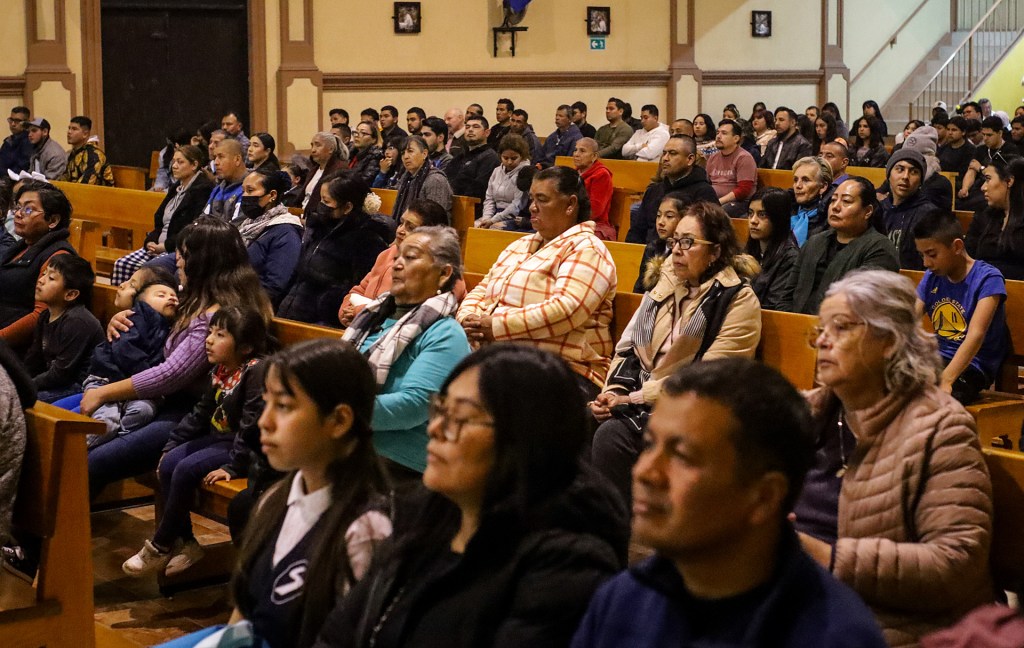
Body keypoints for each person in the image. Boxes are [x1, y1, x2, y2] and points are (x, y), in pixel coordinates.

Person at [314, 345, 628, 648]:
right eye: (440, 409)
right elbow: (339, 633)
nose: (435, 428)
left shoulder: (567, 565)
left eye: (460, 418)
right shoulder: (418, 516)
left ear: (522, 437)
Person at [573, 359, 887, 648]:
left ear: (764, 496)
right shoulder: (624, 598)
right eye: (650, 445)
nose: (644, 472)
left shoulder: (835, 635)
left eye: (682, 457)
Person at [793, 270, 993, 647]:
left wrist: (827, 556)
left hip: (889, 626)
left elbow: (956, 565)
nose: (822, 341)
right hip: (800, 604)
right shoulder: (805, 415)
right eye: (819, 330)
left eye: (840, 328)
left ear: (889, 340)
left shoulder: (942, 428)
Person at [162, 339, 392, 648]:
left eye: (283, 406)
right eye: (266, 403)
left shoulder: (366, 529)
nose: (264, 422)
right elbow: (244, 618)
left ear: (339, 420)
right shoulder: (274, 499)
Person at [81, 217, 273, 499]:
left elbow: (171, 375)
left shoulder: (219, 315)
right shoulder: (196, 299)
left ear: (203, 262)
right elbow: (152, 325)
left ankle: (62, 538)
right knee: (63, 428)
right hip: (162, 400)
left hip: (193, 414)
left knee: (90, 461)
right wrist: (123, 316)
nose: (178, 262)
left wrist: (103, 393)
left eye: (183, 255)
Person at [590, 202, 761, 505]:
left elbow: (709, 378)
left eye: (688, 242)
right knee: (580, 417)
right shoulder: (663, 286)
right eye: (674, 241)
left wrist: (633, 398)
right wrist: (613, 391)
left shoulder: (738, 300)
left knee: (612, 436)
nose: (677, 250)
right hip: (638, 399)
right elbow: (628, 347)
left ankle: (616, 534)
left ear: (716, 251)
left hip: (695, 408)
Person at [123, 306, 270, 577]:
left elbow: (252, 425)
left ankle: (161, 543)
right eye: (210, 332)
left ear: (246, 346)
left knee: (186, 468)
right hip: (219, 439)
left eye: (220, 334)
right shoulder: (222, 369)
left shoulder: (255, 371)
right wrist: (172, 444)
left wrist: (233, 467)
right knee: (169, 463)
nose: (209, 339)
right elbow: (201, 412)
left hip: (242, 448)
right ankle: (186, 542)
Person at [458, 166, 617, 398]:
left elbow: (566, 310)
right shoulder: (519, 245)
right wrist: (468, 319)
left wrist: (496, 326)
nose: (532, 207)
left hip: (565, 370)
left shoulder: (587, 248)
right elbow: (482, 289)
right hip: (506, 361)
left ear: (570, 204)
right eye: (532, 199)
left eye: (542, 199)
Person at [342, 226, 471, 477]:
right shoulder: (371, 317)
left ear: (444, 273)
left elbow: (414, 406)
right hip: (351, 448)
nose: (397, 265)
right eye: (397, 257)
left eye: (410, 257)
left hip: (398, 466)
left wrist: (337, 413)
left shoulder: (445, 333)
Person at [914, 211, 1008, 404]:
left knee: (927, 399)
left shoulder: (988, 278)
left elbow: (976, 335)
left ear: (956, 246)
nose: (926, 263)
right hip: (937, 359)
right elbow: (909, 320)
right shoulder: (932, 276)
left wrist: (947, 379)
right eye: (922, 255)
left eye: (931, 254)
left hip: (973, 366)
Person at [278, 170, 391, 326]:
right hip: (292, 313)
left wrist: (327, 308)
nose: (321, 205)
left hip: (323, 323)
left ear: (347, 207)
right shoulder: (320, 227)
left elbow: (359, 290)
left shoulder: (366, 240)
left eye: (326, 201)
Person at [81, 269, 179, 445]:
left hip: (134, 389)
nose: (171, 298)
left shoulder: (168, 324)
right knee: (105, 421)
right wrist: (146, 376)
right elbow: (125, 349)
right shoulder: (137, 317)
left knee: (144, 411)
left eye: (174, 296)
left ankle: (117, 435)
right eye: (161, 295)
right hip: (106, 380)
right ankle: (79, 450)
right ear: (141, 300)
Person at [784, 177, 899, 314]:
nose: (835, 207)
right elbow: (787, 294)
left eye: (846, 201)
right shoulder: (815, 242)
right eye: (833, 200)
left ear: (868, 211)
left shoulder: (879, 249)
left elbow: (863, 305)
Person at [340, 199, 464, 326]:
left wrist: (362, 312)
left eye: (410, 227)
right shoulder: (386, 254)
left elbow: (415, 314)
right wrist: (346, 312)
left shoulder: (444, 272)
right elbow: (359, 291)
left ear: (430, 234)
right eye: (401, 223)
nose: (400, 230)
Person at [111, 145, 213, 285]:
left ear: (194, 165)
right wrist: (150, 241)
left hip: (177, 247)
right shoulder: (176, 187)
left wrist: (164, 246)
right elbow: (160, 221)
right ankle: (122, 303)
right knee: (122, 264)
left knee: (145, 271)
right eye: (173, 161)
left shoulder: (202, 189)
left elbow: (191, 228)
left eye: (180, 162)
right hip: (157, 244)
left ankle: (140, 304)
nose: (174, 166)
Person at [0, 181, 76, 350]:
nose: (19, 214)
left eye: (28, 209)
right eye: (18, 207)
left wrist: (1, 339)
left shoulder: (59, 256)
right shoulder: (21, 246)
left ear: (53, 220)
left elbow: (41, 315)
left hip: (20, 351)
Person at [23, 253, 102, 403]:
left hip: (81, 386)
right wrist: (19, 379)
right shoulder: (45, 316)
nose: (40, 280)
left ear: (71, 294)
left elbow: (62, 373)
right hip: (58, 381)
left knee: (25, 400)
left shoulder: (78, 321)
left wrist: (27, 385)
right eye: (44, 274)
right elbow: (34, 357)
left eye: (51, 278)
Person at [626, 135, 718, 244]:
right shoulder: (654, 191)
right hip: (648, 253)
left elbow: (708, 236)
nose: (665, 158)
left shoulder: (704, 192)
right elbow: (636, 232)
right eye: (664, 153)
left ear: (690, 159)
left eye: (673, 153)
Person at [237, 170, 303, 307]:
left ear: (272, 195)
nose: (244, 196)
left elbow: (274, 285)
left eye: (250, 191)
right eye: (243, 191)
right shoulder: (246, 224)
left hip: (255, 306)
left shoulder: (286, 232)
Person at [878, 148, 943, 269]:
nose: (905, 177)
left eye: (914, 172)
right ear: (889, 175)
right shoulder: (878, 210)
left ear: (920, 181)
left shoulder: (929, 215)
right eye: (900, 169)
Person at [965, 158, 1024, 280]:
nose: (983, 187)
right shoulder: (983, 216)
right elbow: (968, 257)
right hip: (982, 288)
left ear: (1009, 181)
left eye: (988, 179)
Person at [746, 186, 799, 310]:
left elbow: (774, 305)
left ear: (778, 218)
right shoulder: (749, 251)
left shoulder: (790, 258)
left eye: (762, 215)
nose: (753, 221)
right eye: (750, 213)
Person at [957, 115, 1020, 211]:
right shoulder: (980, 150)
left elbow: (1005, 175)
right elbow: (971, 170)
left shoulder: (1011, 150)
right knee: (958, 204)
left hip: (999, 191)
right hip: (978, 189)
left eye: (989, 135)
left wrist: (981, 169)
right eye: (983, 134)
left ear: (1000, 133)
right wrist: (965, 188)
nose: (985, 138)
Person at [391, 136, 453, 222]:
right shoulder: (406, 178)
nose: (405, 156)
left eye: (410, 151)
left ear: (424, 154)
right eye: (402, 153)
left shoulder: (435, 180)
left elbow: (435, 221)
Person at [633, 193, 685, 293]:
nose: (661, 222)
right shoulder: (652, 248)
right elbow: (639, 288)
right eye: (658, 215)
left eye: (669, 216)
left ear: (683, 219)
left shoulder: (683, 252)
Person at [477, 133, 531, 230]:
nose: (509, 162)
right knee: (475, 226)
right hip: (494, 213)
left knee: (495, 228)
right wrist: (486, 218)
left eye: (514, 158)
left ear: (522, 156)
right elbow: (489, 199)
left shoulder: (525, 173)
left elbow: (516, 205)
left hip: (514, 216)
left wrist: (492, 221)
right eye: (505, 158)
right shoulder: (496, 171)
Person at [444, 115, 501, 204]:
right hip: (452, 204)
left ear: (487, 132)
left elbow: (479, 189)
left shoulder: (490, 157)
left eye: (476, 127)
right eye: (467, 127)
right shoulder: (459, 157)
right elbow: (446, 180)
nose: (470, 129)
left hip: (474, 208)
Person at [706, 119, 758, 217]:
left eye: (724, 133)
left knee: (715, 214)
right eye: (717, 133)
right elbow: (707, 183)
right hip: (715, 201)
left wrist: (718, 202)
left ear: (736, 138)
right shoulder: (713, 157)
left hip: (740, 202)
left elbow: (743, 190)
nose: (718, 136)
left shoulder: (744, 157)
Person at [572, 137, 617, 240]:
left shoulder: (602, 175)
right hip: (574, 220)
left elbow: (596, 210)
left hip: (596, 224)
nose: (576, 154)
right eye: (575, 150)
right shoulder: (573, 173)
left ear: (594, 156)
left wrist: (571, 220)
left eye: (582, 151)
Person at [301, 132, 349, 218]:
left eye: (318, 145)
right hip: (303, 214)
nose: (313, 150)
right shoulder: (314, 169)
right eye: (312, 145)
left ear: (331, 149)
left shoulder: (339, 170)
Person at [790, 156, 832, 246]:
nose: (798, 185)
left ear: (823, 186)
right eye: (795, 180)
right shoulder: (787, 208)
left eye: (806, 180)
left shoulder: (830, 217)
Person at [204, 138, 248, 222]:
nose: (216, 162)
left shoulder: (250, 189)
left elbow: (237, 227)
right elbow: (203, 218)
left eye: (221, 157)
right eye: (215, 157)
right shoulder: (218, 189)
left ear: (237, 159)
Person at [60, 116, 113, 185]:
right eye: (69, 128)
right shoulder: (73, 153)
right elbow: (65, 178)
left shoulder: (94, 155)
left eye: (74, 129)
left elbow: (86, 183)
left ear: (85, 134)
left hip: (99, 194)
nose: (69, 132)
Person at [347, 120, 384, 185]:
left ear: (374, 139)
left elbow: (365, 181)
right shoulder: (350, 153)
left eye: (363, 133)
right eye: (356, 132)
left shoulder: (376, 156)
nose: (357, 136)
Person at [0, 106, 32, 176]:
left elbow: (20, 170)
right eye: (11, 120)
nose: (13, 124)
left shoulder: (29, 142)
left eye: (17, 121)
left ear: (26, 123)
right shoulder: (8, 141)